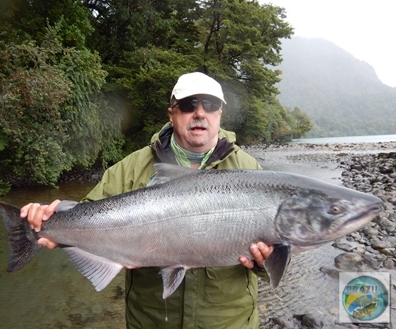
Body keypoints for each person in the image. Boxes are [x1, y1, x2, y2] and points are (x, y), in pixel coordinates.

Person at [21, 72, 273, 328]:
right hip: (149, 321)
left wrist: (264, 263)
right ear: (171, 114)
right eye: (188, 105)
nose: (199, 113)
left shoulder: (248, 170)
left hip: (229, 322)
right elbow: (85, 220)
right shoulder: (130, 168)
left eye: (210, 105)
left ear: (219, 114)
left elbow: (272, 259)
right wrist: (47, 224)